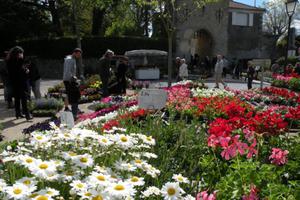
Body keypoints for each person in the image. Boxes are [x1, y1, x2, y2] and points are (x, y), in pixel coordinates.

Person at [6, 46, 32, 120]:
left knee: (17, 98)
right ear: (18, 53)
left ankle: (18, 113)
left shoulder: (9, 60)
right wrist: (26, 71)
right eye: (21, 53)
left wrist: (24, 68)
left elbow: (15, 70)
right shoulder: (19, 60)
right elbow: (20, 70)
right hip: (21, 81)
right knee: (24, 98)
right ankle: (27, 114)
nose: (22, 54)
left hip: (13, 82)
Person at [63, 48, 82, 119]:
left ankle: (74, 111)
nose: (79, 56)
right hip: (69, 81)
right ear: (74, 53)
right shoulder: (69, 60)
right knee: (74, 96)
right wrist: (74, 79)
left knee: (72, 96)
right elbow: (68, 72)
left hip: (70, 80)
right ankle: (74, 113)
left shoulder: (72, 59)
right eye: (78, 54)